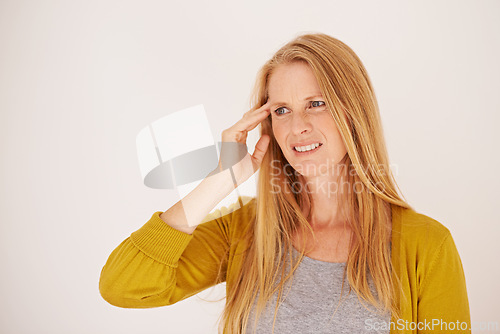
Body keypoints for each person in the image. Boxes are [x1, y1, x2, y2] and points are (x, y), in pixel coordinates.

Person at [99, 33, 471, 333]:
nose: (297, 126)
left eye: (316, 103)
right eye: (281, 111)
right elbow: (122, 286)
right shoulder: (246, 230)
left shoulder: (427, 245)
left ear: (353, 111)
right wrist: (220, 180)